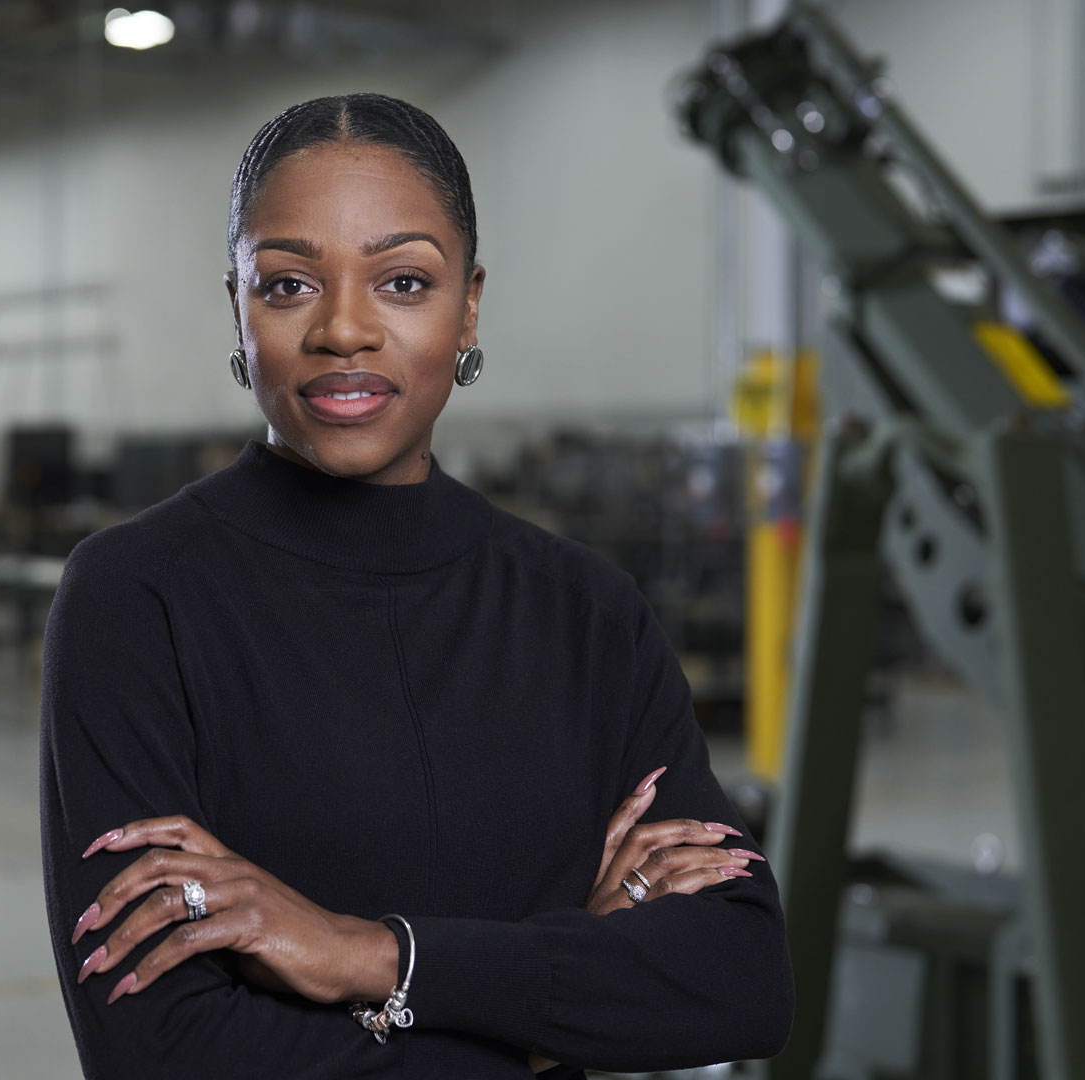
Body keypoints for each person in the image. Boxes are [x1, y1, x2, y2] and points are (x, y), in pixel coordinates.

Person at [40, 93, 793, 1078]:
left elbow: (739, 982)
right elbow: (160, 1050)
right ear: (236, 305)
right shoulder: (137, 600)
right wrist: (538, 1030)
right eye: (287, 285)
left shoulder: (584, 615)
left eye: (401, 280)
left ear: (468, 303)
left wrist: (376, 957)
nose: (344, 330)